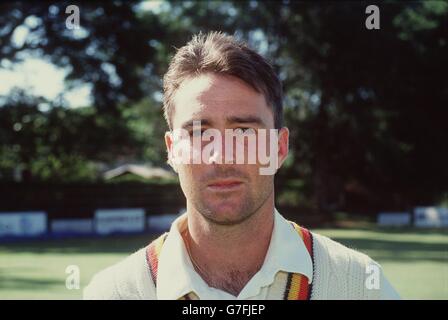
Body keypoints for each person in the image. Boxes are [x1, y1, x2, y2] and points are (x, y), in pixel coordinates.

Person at [83, 31, 400, 300]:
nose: (222, 156)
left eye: (244, 132)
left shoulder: (359, 285)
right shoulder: (115, 293)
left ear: (279, 147)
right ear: (172, 151)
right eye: (198, 133)